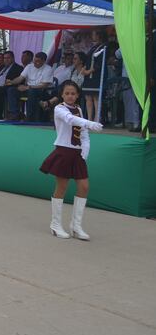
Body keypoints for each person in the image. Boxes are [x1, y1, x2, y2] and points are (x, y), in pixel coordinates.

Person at [40, 80, 103, 240]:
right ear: (62, 94)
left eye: (73, 93)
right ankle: (55, 224)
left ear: (77, 95)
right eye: (67, 93)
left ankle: (76, 226)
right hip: (63, 151)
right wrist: (90, 123)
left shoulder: (79, 109)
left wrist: (85, 152)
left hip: (77, 153)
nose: (70, 96)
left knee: (84, 186)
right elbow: (70, 120)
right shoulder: (59, 109)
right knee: (62, 187)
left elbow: (83, 134)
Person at [7, 52, 53, 121]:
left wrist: (29, 87)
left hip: (40, 90)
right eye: (35, 60)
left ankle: (29, 118)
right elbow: (20, 78)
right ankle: (14, 114)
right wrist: (11, 82)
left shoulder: (48, 69)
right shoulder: (29, 66)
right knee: (11, 90)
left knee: (31, 92)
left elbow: (44, 85)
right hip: (28, 89)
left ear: (43, 61)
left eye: (38, 61)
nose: (35, 63)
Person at [81, 30, 106, 123]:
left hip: (96, 75)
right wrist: (84, 69)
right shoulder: (93, 47)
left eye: (94, 34)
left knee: (95, 96)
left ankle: (97, 118)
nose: (92, 36)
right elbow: (88, 59)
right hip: (88, 75)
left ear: (99, 35)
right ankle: (89, 118)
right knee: (88, 97)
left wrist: (89, 71)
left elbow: (100, 62)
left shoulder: (103, 47)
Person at [0, 51, 23, 119]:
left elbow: (18, 80)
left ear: (13, 58)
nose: (6, 60)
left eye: (8, 58)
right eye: (4, 58)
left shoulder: (18, 68)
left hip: (7, 87)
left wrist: (9, 82)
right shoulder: (2, 67)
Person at [115, 48, 141, 132]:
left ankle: (136, 122)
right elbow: (117, 54)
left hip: (136, 74)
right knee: (127, 100)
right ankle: (129, 122)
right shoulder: (125, 44)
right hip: (126, 75)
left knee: (135, 100)